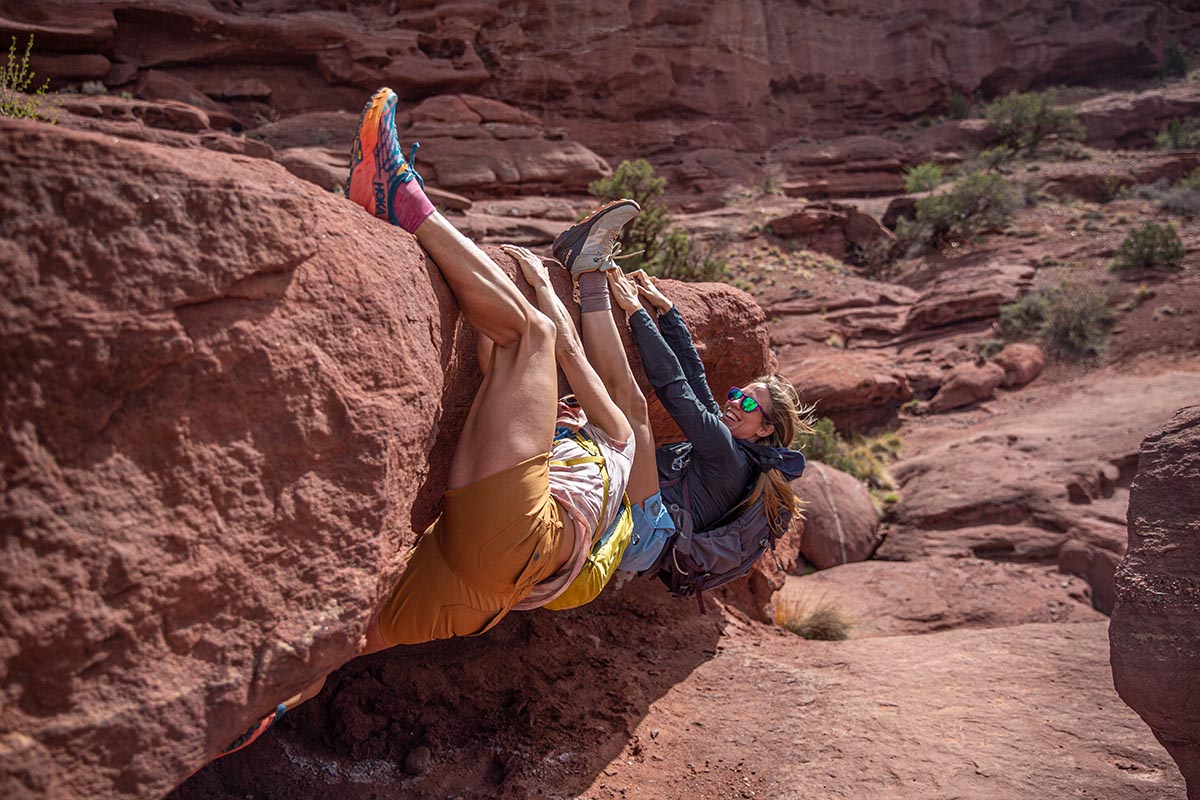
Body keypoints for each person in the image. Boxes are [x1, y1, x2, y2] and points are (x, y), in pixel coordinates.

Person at [213, 87, 642, 760]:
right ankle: (246, 714)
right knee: (347, 636)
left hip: (519, 541)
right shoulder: (611, 442)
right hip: (483, 595)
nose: (556, 409)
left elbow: (553, 345)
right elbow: (540, 382)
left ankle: (399, 199)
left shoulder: (609, 437)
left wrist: (534, 285)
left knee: (523, 338)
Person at [551, 208, 812, 575]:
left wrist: (635, 312)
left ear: (765, 429)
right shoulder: (734, 445)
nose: (735, 401)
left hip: (651, 535)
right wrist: (668, 312)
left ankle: (589, 272)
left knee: (631, 405)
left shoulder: (729, 457)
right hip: (651, 524)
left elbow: (675, 390)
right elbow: (696, 378)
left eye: (749, 403)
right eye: (738, 392)